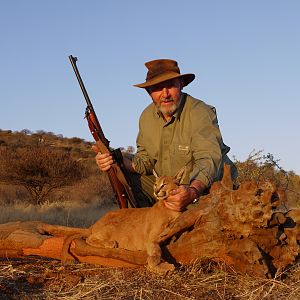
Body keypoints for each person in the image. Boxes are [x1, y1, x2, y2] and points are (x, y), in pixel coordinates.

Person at [93, 59, 237, 211]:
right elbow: (145, 161)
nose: (165, 94)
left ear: (181, 84)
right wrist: (113, 160)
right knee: (126, 177)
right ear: (149, 92)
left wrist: (192, 192)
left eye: (170, 85)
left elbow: (208, 158)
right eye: (157, 88)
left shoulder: (199, 112)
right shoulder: (146, 117)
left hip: (202, 188)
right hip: (168, 187)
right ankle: (145, 228)